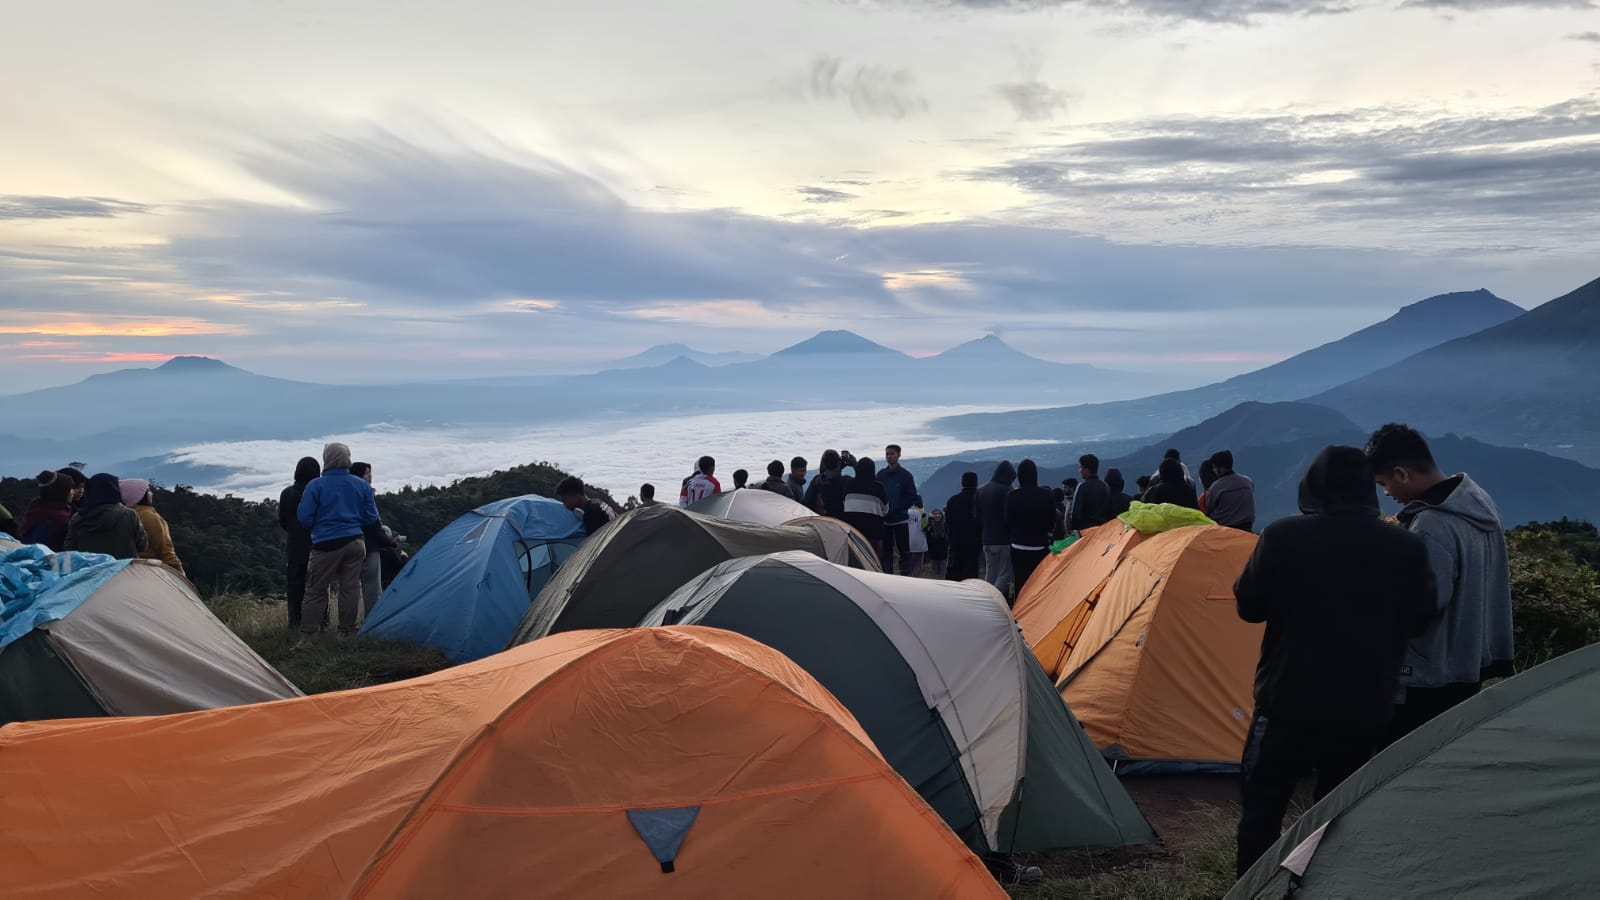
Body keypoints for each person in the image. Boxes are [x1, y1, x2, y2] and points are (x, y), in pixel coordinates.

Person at [1233, 445, 1437, 877]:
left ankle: (1253, 889)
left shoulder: (1284, 537)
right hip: (1365, 704)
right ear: (1368, 489)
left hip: (1286, 700)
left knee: (1262, 810)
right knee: (1338, 815)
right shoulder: (1406, 546)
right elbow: (1421, 620)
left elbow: (1249, 607)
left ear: (1313, 488)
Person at [1366, 423, 1515, 744]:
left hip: (1428, 675)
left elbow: (1419, 609)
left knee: (1401, 765)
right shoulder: (1477, 500)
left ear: (1401, 474)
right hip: (1469, 660)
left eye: (1384, 484)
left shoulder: (1431, 526)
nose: (1387, 494)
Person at [296, 442, 380, 646]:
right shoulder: (361, 485)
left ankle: (308, 637)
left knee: (315, 590)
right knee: (350, 588)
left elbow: (304, 519)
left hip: (325, 544)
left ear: (326, 459)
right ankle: (346, 633)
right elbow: (372, 518)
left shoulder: (315, 486)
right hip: (355, 542)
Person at [349, 462, 395, 621]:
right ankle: (372, 623)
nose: (370, 476)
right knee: (372, 587)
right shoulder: (364, 494)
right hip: (369, 545)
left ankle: (348, 625)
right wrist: (389, 541)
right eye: (366, 473)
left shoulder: (347, 495)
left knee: (350, 588)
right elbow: (372, 524)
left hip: (351, 544)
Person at [279, 456, 320, 633]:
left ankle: (295, 623)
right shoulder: (317, 492)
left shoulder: (287, 493)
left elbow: (283, 521)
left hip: (295, 545)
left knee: (295, 586)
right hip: (317, 543)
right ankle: (320, 622)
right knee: (318, 586)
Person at [63, 473, 147, 559]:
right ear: (115, 490)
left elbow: (69, 549)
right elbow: (142, 546)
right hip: (125, 569)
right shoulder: (129, 515)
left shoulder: (78, 517)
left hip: (91, 570)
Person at [1005, 460, 1055, 600]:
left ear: (1019, 476)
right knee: (1039, 582)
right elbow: (1051, 523)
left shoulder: (1012, 496)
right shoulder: (1047, 495)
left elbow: (1008, 522)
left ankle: (1019, 614)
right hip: (1040, 545)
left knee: (1020, 581)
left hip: (1018, 544)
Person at [118, 479, 184, 576]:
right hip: (152, 572)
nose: (151, 494)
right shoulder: (152, 518)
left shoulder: (122, 516)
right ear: (139, 496)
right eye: (148, 491)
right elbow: (166, 550)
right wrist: (180, 575)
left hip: (126, 572)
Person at [977, 461, 1016, 595]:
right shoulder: (1008, 490)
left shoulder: (980, 490)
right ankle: (993, 599)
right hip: (1004, 540)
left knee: (990, 574)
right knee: (1005, 574)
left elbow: (977, 516)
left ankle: (985, 599)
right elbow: (1010, 517)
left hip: (987, 539)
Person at [878, 444, 918, 575]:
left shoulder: (906, 476)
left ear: (899, 455)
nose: (889, 456)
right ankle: (887, 576)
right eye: (887, 454)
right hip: (885, 522)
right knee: (886, 552)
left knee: (904, 552)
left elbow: (912, 496)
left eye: (892, 454)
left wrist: (898, 508)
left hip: (901, 521)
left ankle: (906, 576)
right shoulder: (881, 475)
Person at [17, 470, 75, 551]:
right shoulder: (59, 519)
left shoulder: (35, 509)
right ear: (61, 492)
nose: (73, 492)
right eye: (70, 488)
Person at [842, 457, 888, 554]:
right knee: (875, 561)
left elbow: (844, 503)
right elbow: (885, 510)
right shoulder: (878, 487)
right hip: (874, 532)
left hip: (853, 532)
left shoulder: (849, 484)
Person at [1206, 450, 1257, 531]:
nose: (1214, 470)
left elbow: (1208, 509)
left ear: (1221, 468)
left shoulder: (1216, 487)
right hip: (1247, 526)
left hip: (1225, 528)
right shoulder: (1247, 481)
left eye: (1214, 467)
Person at [945, 472, 982, 582]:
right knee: (972, 574)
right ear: (976, 483)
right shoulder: (979, 500)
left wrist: (950, 540)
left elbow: (947, 522)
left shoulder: (953, 500)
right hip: (975, 543)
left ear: (962, 483)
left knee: (954, 573)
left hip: (956, 543)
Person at [1069, 453, 1113, 533]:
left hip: (1085, 531)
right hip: (1103, 530)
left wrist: (1074, 531)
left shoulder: (1082, 487)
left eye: (1080, 468)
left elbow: (1075, 515)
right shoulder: (1105, 486)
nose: (1080, 471)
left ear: (1086, 469)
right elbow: (1110, 511)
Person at [803, 449, 847, 518]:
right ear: (839, 463)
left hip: (822, 520)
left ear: (823, 463)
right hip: (840, 522)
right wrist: (854, 464)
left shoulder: (817, 480)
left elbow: (806, 502)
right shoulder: (845, 481)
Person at [905, 496, 929, 577]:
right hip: (919, 543)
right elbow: (925, 527)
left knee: (909, 564)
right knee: (918, 565)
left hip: (907, 542)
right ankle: (915, 580)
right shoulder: (922, 513)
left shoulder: (906, 512)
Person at [926, 507, 949, 579]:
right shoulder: (930, 526)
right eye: (935, 514)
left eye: (939, 514)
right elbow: (927, 537)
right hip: (933, 555)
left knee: (943, 573)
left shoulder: (945, 526)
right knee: (934, 573)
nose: (937, 515)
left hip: (944, 554)